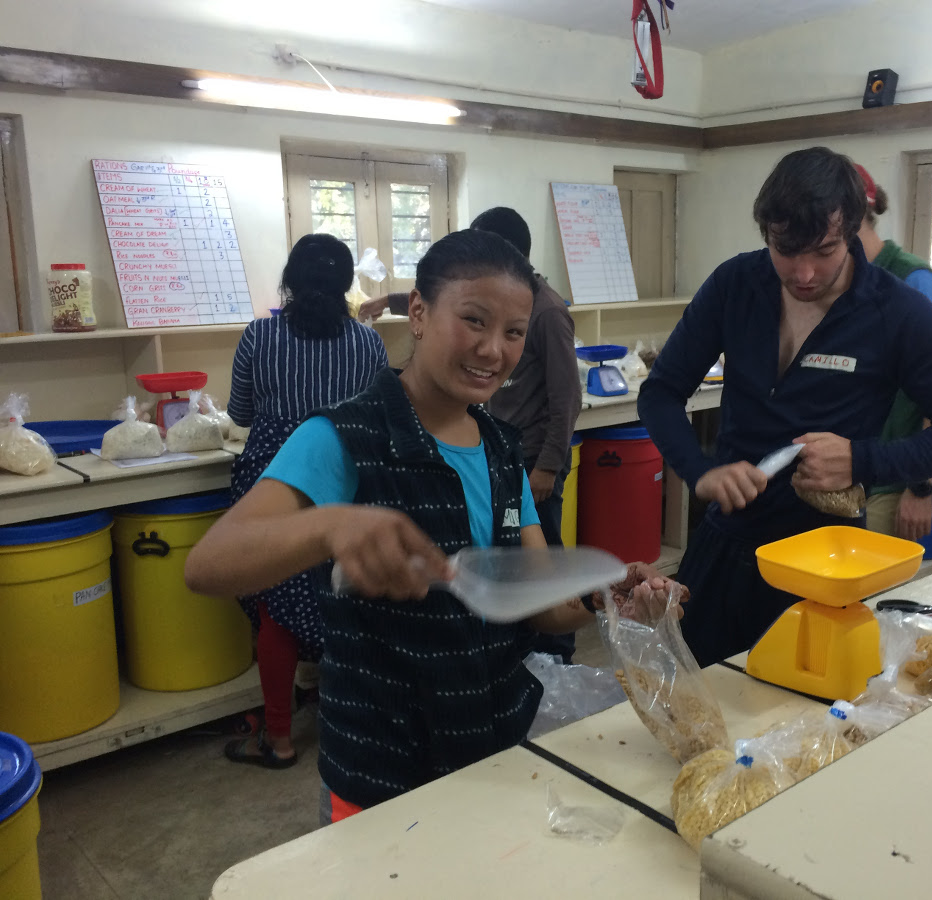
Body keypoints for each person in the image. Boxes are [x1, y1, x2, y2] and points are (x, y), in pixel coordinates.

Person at [185, 230, 679, 823]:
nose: (494, 349)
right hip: (383, 773)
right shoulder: (343, 437)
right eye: (474, 320)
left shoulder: (500, 449)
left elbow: (537, 601)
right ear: (418, 313)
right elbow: (209, 565)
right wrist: (330, 526)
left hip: (495, 749)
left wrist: (606, 597)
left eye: (514, 332)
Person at [637, 146, 932, 667]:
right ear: (766, 232)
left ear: (853, 228)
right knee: (699, 707)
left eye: (824, 252)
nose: (804, 273)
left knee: (807, 722)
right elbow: (661, 392)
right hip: (724, 547)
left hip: (824, 561)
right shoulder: (736, 284)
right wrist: (700, 472)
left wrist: (862, 460)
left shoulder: (899, 313)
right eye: (786, 250)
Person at [224, 233, 388, 769]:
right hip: (343, 475)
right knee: (344, 596)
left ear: (288, 282)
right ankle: (346, 712)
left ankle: (278, 737)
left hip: (276, 479)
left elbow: (241, 414)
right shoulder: (369, 345)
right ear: (347, 286)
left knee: (277, 605)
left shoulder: (259, 336)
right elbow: (378, 415)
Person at [471, 206, 583, 662]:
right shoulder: (502, 303)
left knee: (546, 560)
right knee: (516, 556)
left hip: (537, 462)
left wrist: (547, 468)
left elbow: (567, 399)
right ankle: (528, 649)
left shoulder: (548, 311)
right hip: (506, 458)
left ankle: (559, 653)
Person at [853, 164, 932, 543]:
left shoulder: (914, 281)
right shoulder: (842, 281)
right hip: (850, 475)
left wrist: (920, 487)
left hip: (894, 483)